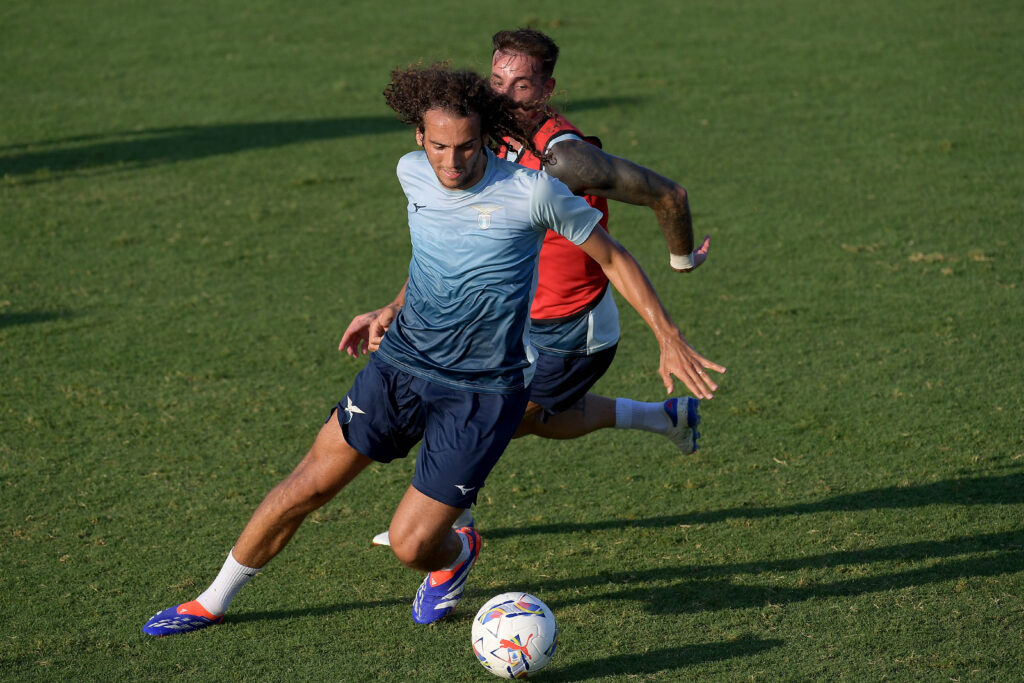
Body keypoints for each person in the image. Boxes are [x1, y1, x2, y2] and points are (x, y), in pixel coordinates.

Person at [142, 66, 725, 636]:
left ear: (486, 136)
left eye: (467, 147)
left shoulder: (534, 193)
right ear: (420, 136)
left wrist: (667, 334)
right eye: (439, 146)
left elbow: (614, 257)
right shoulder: (411, 173)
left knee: (412, 545)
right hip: (401, 365)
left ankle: (457, 549)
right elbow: (435, 254)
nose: (452, 162)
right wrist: (389, 309)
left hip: (484, 392)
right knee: (308, 486)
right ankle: (211, 600)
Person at [340, 30, 720, 544]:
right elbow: (455, 243)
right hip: (506, 324)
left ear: (546, 90)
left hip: (567, 331)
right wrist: (395, 304)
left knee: (483, 421)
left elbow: (667, 195)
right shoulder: (479, 140)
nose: (502, 95)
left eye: (520, 85)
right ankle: (664, 419)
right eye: (496, 80)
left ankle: (446, 533)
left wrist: (679, 271)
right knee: (520, 418)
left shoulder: (566, 161)